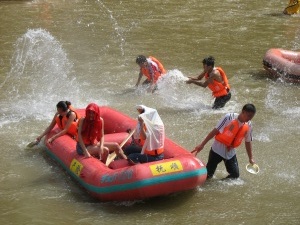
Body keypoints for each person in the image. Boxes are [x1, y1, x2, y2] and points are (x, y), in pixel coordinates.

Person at [191, 103, 256, 179]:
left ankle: (218, 184)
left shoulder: (249, 125)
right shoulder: (229, 117)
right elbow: (215, 131)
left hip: (230, 153)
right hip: (217, 150)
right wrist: (202, 144)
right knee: (208, 175)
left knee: (235, 176)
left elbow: (248, 141)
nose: (249, 118)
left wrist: (250, 158)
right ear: (243, 112)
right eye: (249, 116)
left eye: (252, 117)